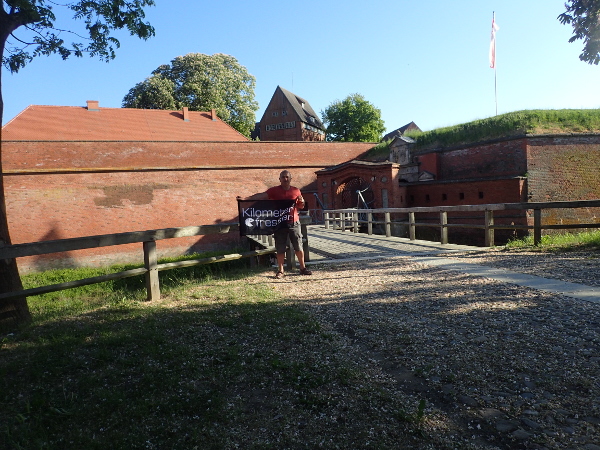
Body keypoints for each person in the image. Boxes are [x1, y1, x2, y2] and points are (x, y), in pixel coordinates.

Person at [238, 170, 312, 279]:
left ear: (290, 179)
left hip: (293, 222)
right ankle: (281, 270)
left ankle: (302, 268)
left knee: (298, 245)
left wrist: (302, 202)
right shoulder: (274, 191)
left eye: (287, 177)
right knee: (280, 247)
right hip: (279, 223)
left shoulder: (296, 191)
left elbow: (301, 206)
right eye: (283, 177)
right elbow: (261, 196)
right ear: (280, 179)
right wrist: (246, 199)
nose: (285, 179)